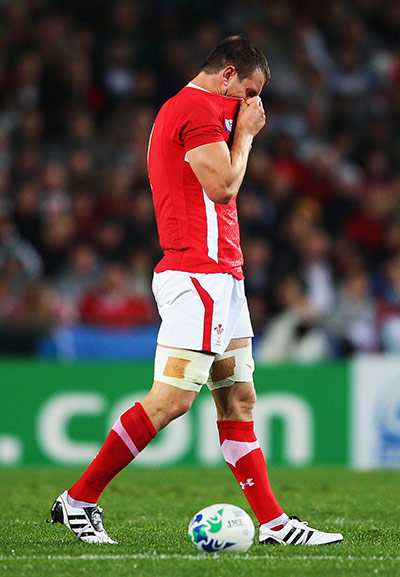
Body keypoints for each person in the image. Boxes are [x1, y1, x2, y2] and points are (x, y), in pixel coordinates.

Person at [50, 35, 343, 547]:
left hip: (225, 277)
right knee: (171, 402)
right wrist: (246, 136)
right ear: (227, 74)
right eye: (248, 91)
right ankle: (79, 499)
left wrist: (240, 128)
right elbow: (223, 187)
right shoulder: (194, 109)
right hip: (197, 275)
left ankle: (273, 524)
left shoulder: (209, 110)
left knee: (240, 400)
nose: (252, 105)